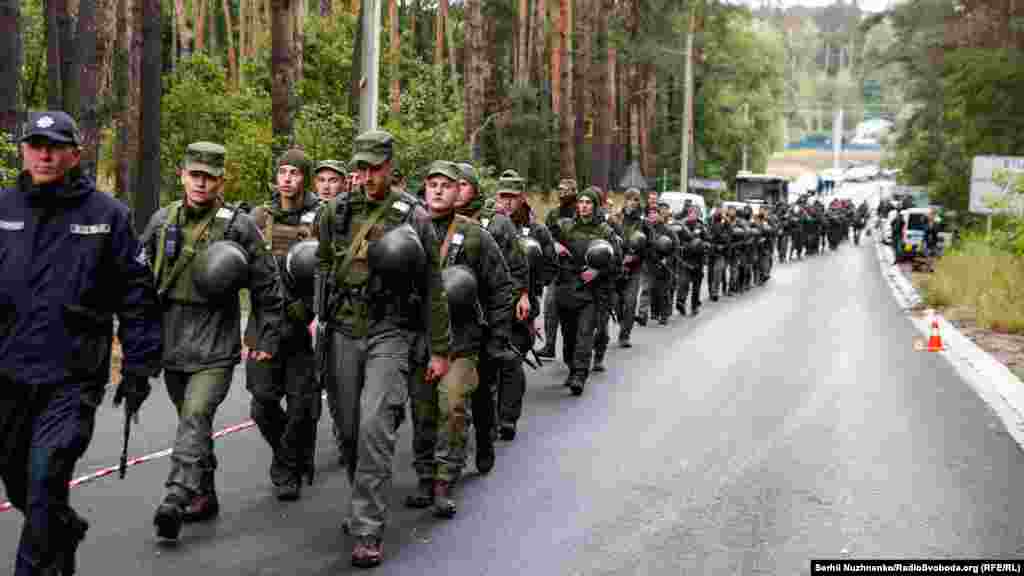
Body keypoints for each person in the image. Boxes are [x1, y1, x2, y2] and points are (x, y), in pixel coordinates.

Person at [0, 110, 162, 576]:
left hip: (71, 379)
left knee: (45, 479)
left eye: (55, 146)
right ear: (24, 150)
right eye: (36, 145)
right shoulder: (5, 209)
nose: (45, 155)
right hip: (9, 375)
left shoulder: (107, 216)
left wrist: (138, 365)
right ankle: (63, 530)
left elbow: (136, 296)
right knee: (18, 485)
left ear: (75, 152)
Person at [315, 130, 450, 568]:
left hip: (390, 331)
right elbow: (320, 264)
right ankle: (361, 496)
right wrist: (317, 316)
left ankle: (368, 526)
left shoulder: (414, 217)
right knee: (350, 430)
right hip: (342, 327)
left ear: (390, 167)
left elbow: (433, 286)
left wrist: (438, 349)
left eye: (374, 168)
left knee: (376, 426)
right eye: (361, 167)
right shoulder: (335, 212)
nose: (366, 176)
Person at [142, 142, 284, 541]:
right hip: (172, 338)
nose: (201, 183)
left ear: (221, 180)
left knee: (196, 415)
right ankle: (204, 493)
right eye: (195, 175)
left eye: (209, 176)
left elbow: (267, 286)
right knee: (190, 420)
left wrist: (262, 335)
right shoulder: (162, 220)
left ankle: (175, 496)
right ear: (182, 175)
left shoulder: (237, 226)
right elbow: (137, 276)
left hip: (215, 341)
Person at [405, 160, 513, 518]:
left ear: (459, 192)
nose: (437, 190)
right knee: (422, 410)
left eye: (446, 185)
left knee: (452, 406)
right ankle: (424, 475)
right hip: (418, 338)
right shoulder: (407, 227)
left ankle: (443, 478)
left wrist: (497, 339)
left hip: (462, 340)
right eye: (432, 183)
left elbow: (499, 288)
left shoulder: (476, 236)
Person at [246, 149, 321, 501]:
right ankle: (288, 455)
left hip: (301, 326)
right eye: (282, 172)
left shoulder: (321, 217)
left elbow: (329, 271)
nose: (287, 178)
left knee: (303, 405)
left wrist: (311, 311)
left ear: (304, 177)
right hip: (263, 324)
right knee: (261, 403)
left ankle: (287, 468)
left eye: (294, 172)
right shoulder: (259, 217)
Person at [549, 186, 617, 395]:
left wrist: (598, 271)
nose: (584, 206)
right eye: (581, 202)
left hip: (591, 292)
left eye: (588, 202)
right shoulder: (566, 227)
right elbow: (545, 242)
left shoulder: (605, 231)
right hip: (567, 288)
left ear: (595, 206)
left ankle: (579, 374)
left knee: (584, 335)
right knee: (568, 336)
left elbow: (617, 262)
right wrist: (554, 245)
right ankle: (571, 367)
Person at [537, 178, 578, 358]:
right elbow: (545, 237)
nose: (562, 193)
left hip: (576, 269)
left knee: (573, 311)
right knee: (550, 306)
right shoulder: (553, 214)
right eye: (560, 189)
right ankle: (550, 345)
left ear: (574, 191)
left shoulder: (581, 212)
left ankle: (577, 348)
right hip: (557, 268)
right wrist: (554, 245)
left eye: (566, 190)